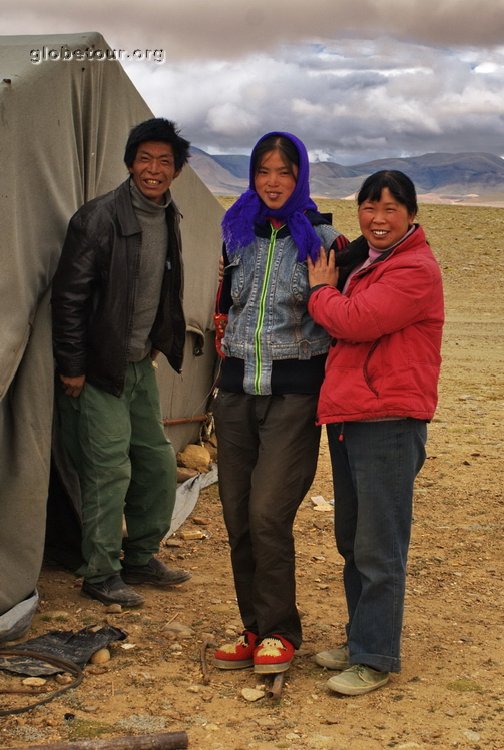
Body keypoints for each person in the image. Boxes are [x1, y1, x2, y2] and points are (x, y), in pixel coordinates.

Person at [211, 131, 351, 674]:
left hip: (294, 398)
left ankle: (279, 632)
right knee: (236, 515)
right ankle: (253, 628)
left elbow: (337, 317)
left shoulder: (324, 241)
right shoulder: (236, 234)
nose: (273, 182)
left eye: (284, 172)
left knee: (268, 513)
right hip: (236, 394)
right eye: (264, 171)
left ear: (301, 177)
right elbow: (224, 307)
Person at [306, 170, 444, 695]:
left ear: (410, 214)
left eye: (390, 208)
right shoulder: (369, 260)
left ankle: (375, 656)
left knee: (379, 543)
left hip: (389, 420)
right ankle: (361, 637)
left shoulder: (415, 269)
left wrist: (321, 290)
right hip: (353, 416)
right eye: (369, 206)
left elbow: (356, 321)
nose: (378, 218)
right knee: (352, 537)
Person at [51, 118, 192, 608]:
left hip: (137, 365)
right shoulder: (98, 219)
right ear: (130, 162)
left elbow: (162, 285)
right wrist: (72, 365)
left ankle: (140, 556)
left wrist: (157, 341)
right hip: (97, 368)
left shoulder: (168, 215)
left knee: (155, 462)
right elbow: (68, 298)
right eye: (145, 159)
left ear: (176, 171)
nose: (154, 170)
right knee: (109, 469)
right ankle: (100, 572)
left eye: (165, 162)